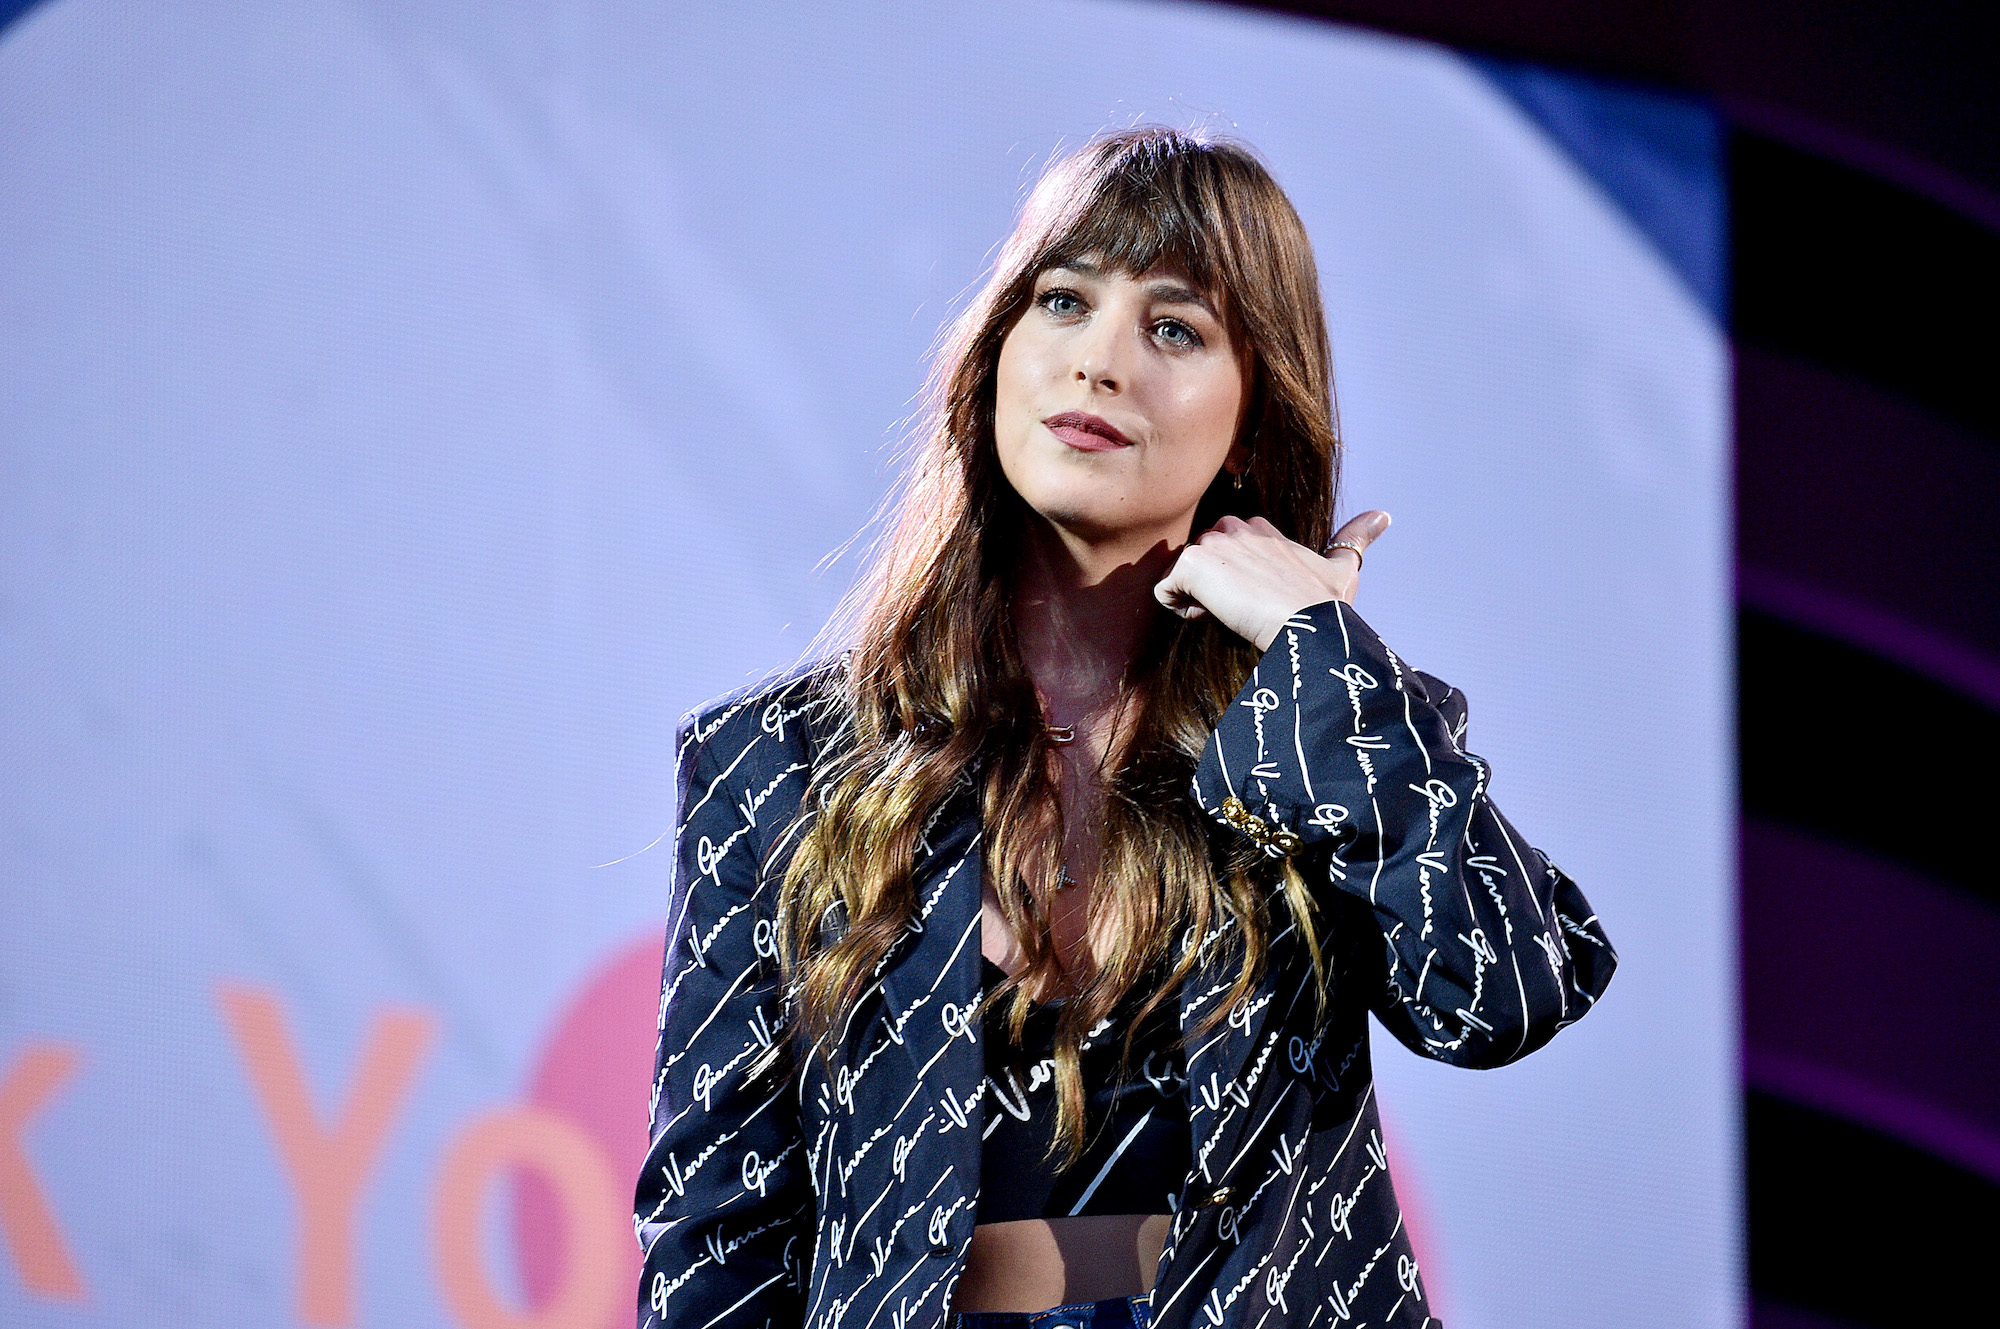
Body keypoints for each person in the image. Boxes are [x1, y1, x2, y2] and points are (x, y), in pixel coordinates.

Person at [635, 127, 1616, 1329]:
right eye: (1061, 301)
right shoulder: (774, 762)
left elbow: (1501, 997)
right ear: (992, 360)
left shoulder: (1319, 725)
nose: (1100, 363)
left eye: (1173, 328)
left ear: (1255, 423)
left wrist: (1319, 651)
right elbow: (713, 1234)